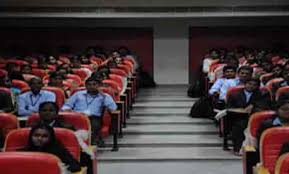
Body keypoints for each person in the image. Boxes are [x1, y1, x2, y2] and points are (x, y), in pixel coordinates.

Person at [61, 77, 117, 146]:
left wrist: (103, 95)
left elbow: (113, 108)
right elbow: (66, 106)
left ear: (99, 86)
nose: (92, 86)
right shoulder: (78, 94)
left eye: (94, 84)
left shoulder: (104, 96)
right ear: (86, 86)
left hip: (93, 118)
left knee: (93, 126)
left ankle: (89, 143)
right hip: (77, 116)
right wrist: (68, 110)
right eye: (89, 85)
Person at [227, 78, 269, 154]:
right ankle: (238, 148)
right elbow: (229, 108)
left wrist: (253, 105)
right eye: (249, 84)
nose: (251, 86)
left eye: (254, 85)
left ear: (257, 87)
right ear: (245, 84)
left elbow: (263, 106)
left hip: (254, 117)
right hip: (238, 117)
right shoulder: (234, 95)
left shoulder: (262, 95)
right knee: (239, 125)